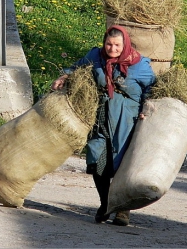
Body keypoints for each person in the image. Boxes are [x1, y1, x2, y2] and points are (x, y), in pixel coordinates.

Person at [51, 25, 156, 226]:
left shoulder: (138, 64)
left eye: (117, 45)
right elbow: (77, 67)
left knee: (122, 162)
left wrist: (147, 107)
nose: (112, 49)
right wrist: (64, 76)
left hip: (127, 118)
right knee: (97, 160)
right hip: (100, 115)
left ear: (124, 44)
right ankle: (105, 204)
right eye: (109, 44)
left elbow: (151, 87)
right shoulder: (96, 56)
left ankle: (122, 210)